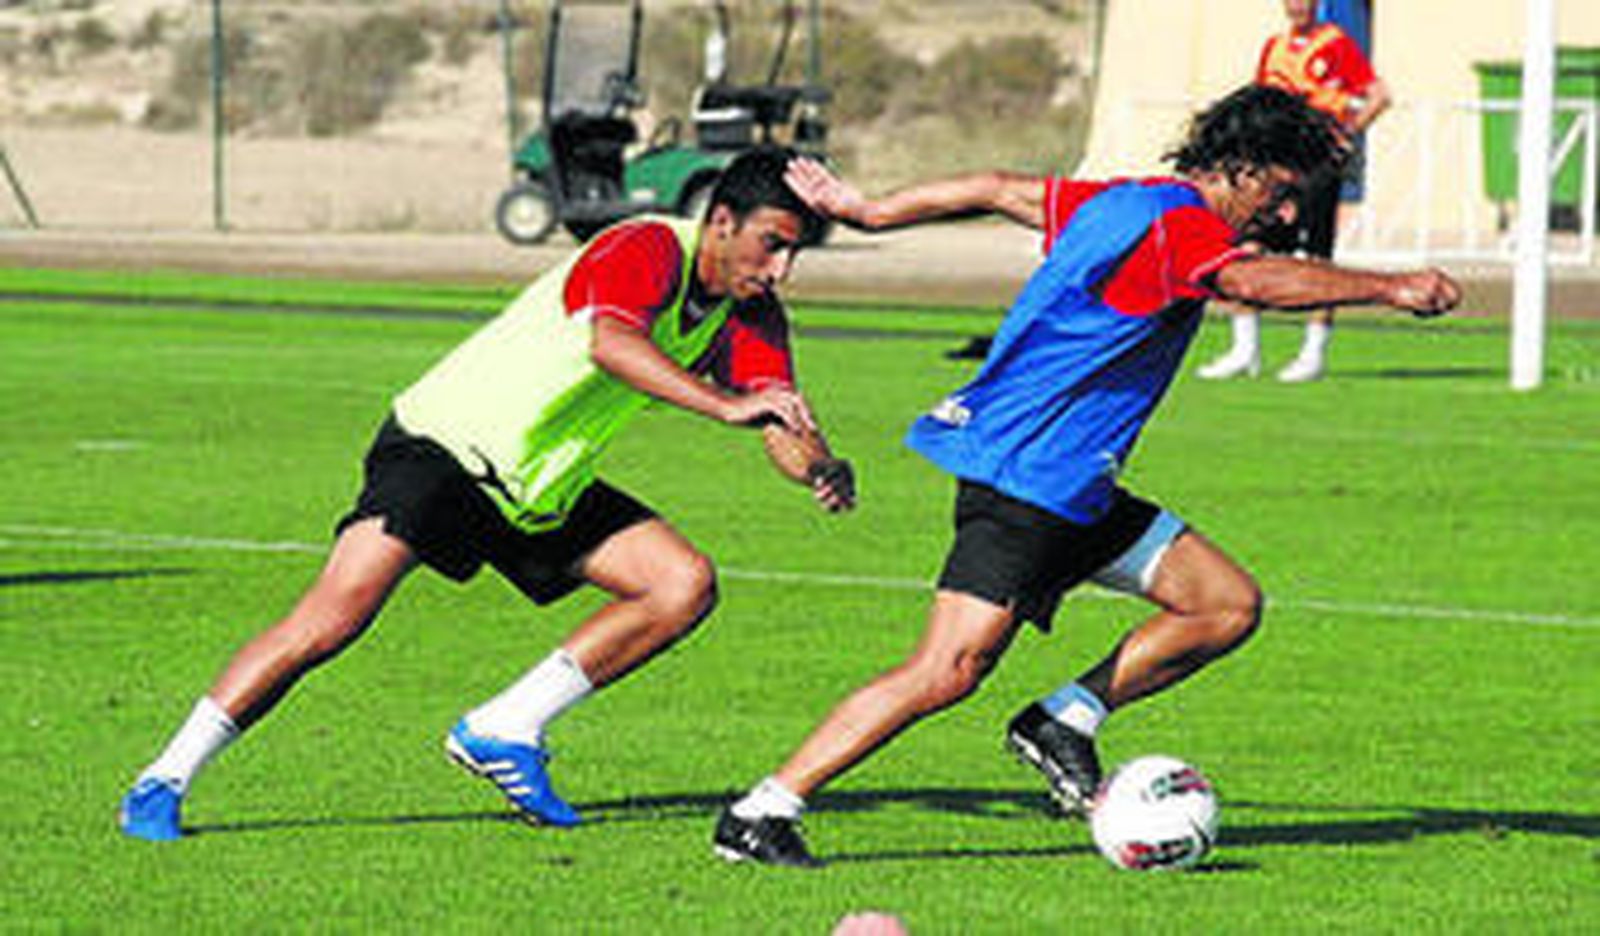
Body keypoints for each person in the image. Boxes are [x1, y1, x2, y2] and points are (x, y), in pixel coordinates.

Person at [711, 86, 1458, 867]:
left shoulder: (1124, 202)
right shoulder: (1179, 230)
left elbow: (995, 188)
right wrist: (1391, 287)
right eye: (1278, 192)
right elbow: (1251, 283)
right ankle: (764, 810)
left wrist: (872, 211)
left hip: (1076, 491)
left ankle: (1063, 719)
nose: (1284, 213)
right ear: (1238, 167)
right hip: (1025, 481)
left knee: (1224, 603)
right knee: (947, 669)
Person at [117, 146, 857, 842]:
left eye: (795, 252)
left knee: (681, 583)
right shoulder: (649, 247)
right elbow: (612, 344)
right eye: (772, 245)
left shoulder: (752, 311)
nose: (781, 269)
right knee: (331, 619)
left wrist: (817, 463)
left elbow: (775, 414)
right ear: (721, 221)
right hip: (445, 446)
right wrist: (722, 404)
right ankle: (163, 779)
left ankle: (506, 727)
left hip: (538, 484)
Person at [1198, 0, 1391, 383]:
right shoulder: (1276, 46)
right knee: (1250, 248)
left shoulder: (1335, 44)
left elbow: (1378, 94)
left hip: (1315, 168)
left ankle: (1312, 353)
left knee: (1317, 256)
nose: (1298, 5)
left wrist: (1347, 131)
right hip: (1275, 167)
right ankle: (1244, 349)